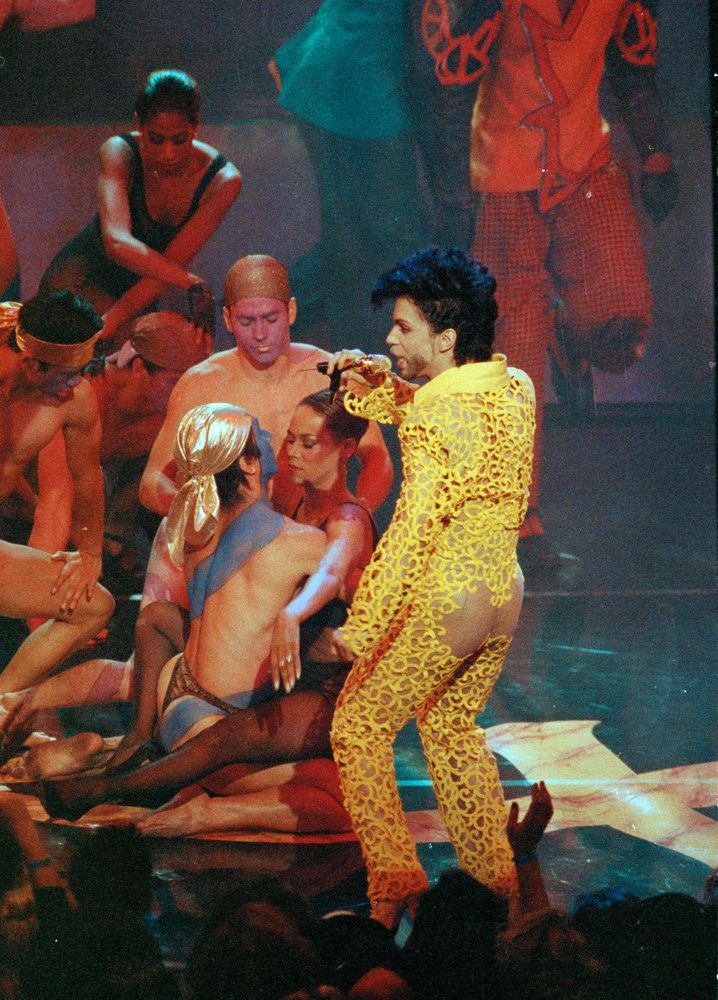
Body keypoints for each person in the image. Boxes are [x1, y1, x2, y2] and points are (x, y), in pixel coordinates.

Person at [34, 392, 377, 838]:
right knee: (346, 796)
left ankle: (136, 740)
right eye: (277, 438)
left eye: (302, 441)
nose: (284, 446)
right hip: (210, 721)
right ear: (248, 464)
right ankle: (179, 798)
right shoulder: (302, 541)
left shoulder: (192, 524)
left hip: (172, 689)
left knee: (158, 616)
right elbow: (348, 584)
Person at [326, 247, 535, 929]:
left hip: (450, 597)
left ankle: (394, 881)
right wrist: (369, 386)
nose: (390, 339)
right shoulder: (516, 387)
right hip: (503, 593)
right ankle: (496, 885)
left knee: (359, 725)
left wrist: (361, 628)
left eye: (403, 328)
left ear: (445, 338)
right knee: (449, 726)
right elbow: (443, 415)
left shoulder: (432, 417)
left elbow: (414, 528)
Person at [467, 0, 678, 551]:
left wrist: (656, 153)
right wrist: (450, 193)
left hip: (586, 166)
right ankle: (517, 514)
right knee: (512, 363)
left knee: (622, 321)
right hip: (501, 177)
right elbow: (444, 86)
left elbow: (635, 67)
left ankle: (564, 333)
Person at [39, 68, 242, 347]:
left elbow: (170, 263)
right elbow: (116, 243)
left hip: (141, 292)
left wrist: (114, 319)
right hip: (79, 278)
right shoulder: (119, 151)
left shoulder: (222, 181)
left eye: (180, 139)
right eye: (155, 139)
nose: (168, 153)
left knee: (148, 358)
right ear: (138, 124)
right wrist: (192, 282)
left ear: (196, 125)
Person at [0, 292, 114, 697]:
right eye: (69, 374)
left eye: (83, 370)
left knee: (93, 606)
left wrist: (90, 554)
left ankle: (3, 703)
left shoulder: (74, 401)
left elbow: (87, 477)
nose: (78, 383)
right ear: (32, 365)